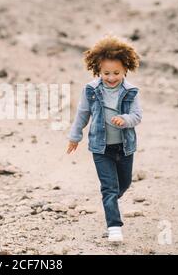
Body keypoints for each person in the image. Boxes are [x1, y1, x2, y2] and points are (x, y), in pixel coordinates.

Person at [67, 36, 142, 242]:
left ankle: (110, 203)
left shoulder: (131, 91)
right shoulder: (91, 90)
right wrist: (75, 136)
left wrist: (124, 120)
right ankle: (114, 227)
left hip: (125, 147)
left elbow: (137, 116)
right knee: (109, 188)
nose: (111, 77)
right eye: (106, 73)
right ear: (98, 70)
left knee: (123, 184)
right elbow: (82, 114)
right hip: (101, 148)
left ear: (125, 69)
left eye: (116, 73)